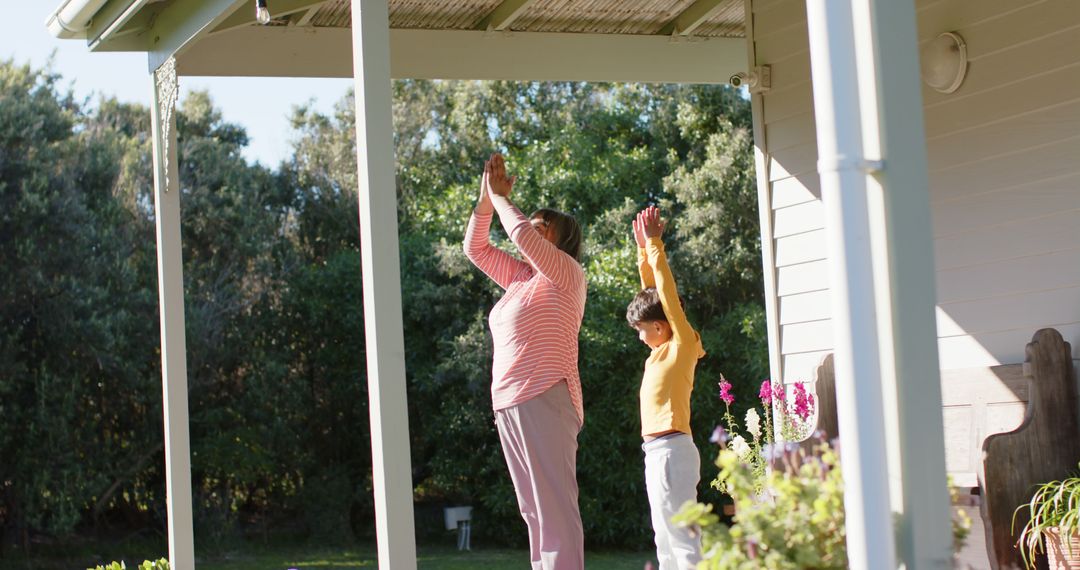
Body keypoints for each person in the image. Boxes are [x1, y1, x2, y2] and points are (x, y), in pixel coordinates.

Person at [463, 153, 587, 570]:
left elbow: (519, 235)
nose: (528, 231)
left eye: (540, 228)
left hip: (547, 394)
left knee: (553, 507)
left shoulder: (567, 272)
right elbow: (475, 248)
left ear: (559, 239)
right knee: (533, 510)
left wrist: (501, 199)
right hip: (510, 402)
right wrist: (486, 199)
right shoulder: (521, 279)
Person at [626, 205, 705, 570]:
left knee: (683, 540)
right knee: (664, 539)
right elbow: (651, 294)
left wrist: (656, 245)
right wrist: (643, 250)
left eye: (641, 329)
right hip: (656, 453)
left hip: (672, 450)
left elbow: (665, 294)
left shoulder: (681, 345)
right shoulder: (660, 350)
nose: (639, 337)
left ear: (660, 326)